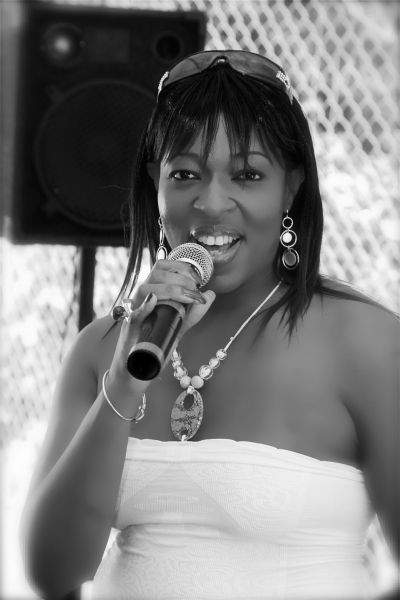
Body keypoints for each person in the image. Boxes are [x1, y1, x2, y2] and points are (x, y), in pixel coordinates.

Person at [20, 50, 399, 599]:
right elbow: (51, 574)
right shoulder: (102, 349)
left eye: (247, 175)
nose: (211, 202)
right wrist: (122, 386)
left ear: (290, 187)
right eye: (185, 174)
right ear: (156, 184)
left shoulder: (366, 342)